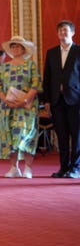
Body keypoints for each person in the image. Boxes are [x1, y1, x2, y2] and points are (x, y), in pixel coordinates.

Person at [0, 36, 41, 178]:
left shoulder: (31, 65)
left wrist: (24, 100)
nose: (15, 48)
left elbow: (36, 85)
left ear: (24, 49)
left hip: (27, 107)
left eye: (18, 46)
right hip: (8, 107)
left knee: (27, 135)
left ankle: (28, 168)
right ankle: (14, 168)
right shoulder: (4, 66)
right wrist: (5, 99)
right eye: (13, 46)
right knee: (10, 136)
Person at [43, 20, 80, 178]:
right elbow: (47, 78)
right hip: (57, 101)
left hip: (76, 100)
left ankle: (76, 168)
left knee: (77, 136)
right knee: (62, 136)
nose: (62, 34)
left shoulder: (78, 51)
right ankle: (63, 168)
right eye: (60, 31)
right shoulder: (51, 53)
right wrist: (47, 100)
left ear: (72, 33)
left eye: (65, 31)